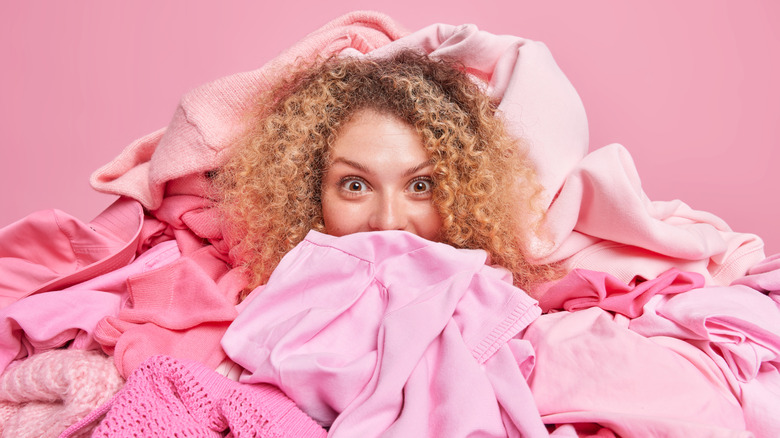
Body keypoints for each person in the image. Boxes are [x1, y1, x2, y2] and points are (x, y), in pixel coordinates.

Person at [214, 51, 559, 299]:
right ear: (308, 195)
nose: (388, 222)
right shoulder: (260, 318)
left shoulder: (509, 314)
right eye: (355, 185)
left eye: (421, 186)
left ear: (466, 198)